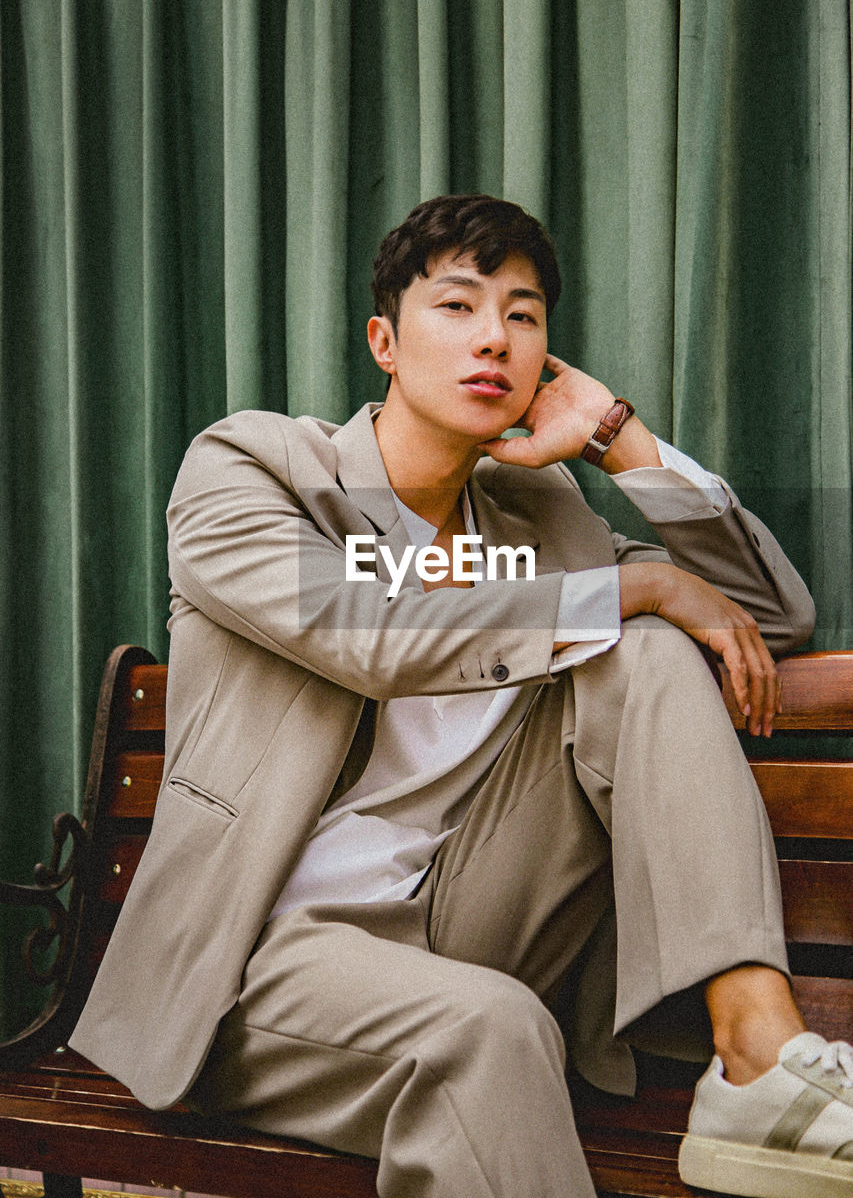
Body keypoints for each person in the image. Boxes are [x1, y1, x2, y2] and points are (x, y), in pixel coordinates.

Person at [70, 195, 853, 1198]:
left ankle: (757, 1054)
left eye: (522, 316)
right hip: (262, 958)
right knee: (488, 1028)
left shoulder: (539, 516)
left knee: (650, 647)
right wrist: (636, 583)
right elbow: (370, 635)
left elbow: (767, 616)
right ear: (384, 341)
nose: (494, 337)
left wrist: (618, 440)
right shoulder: (253, 468)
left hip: (475, 924)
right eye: (458, 305)